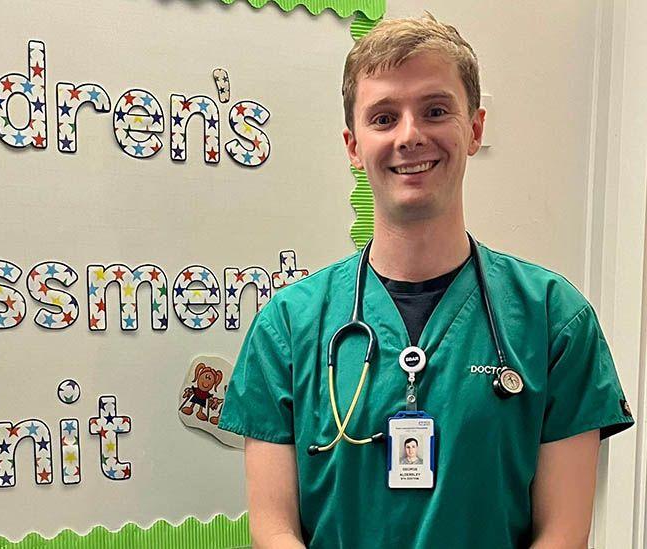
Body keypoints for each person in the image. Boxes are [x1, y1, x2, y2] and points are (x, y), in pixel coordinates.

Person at [218, 13, 634, 549]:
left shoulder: (554, 320)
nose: (410, 135)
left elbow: (563, 532)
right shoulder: (288, 327)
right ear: (352, 145)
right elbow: (273, 528)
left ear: (475, 128)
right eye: (384, 117)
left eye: (435, 110)